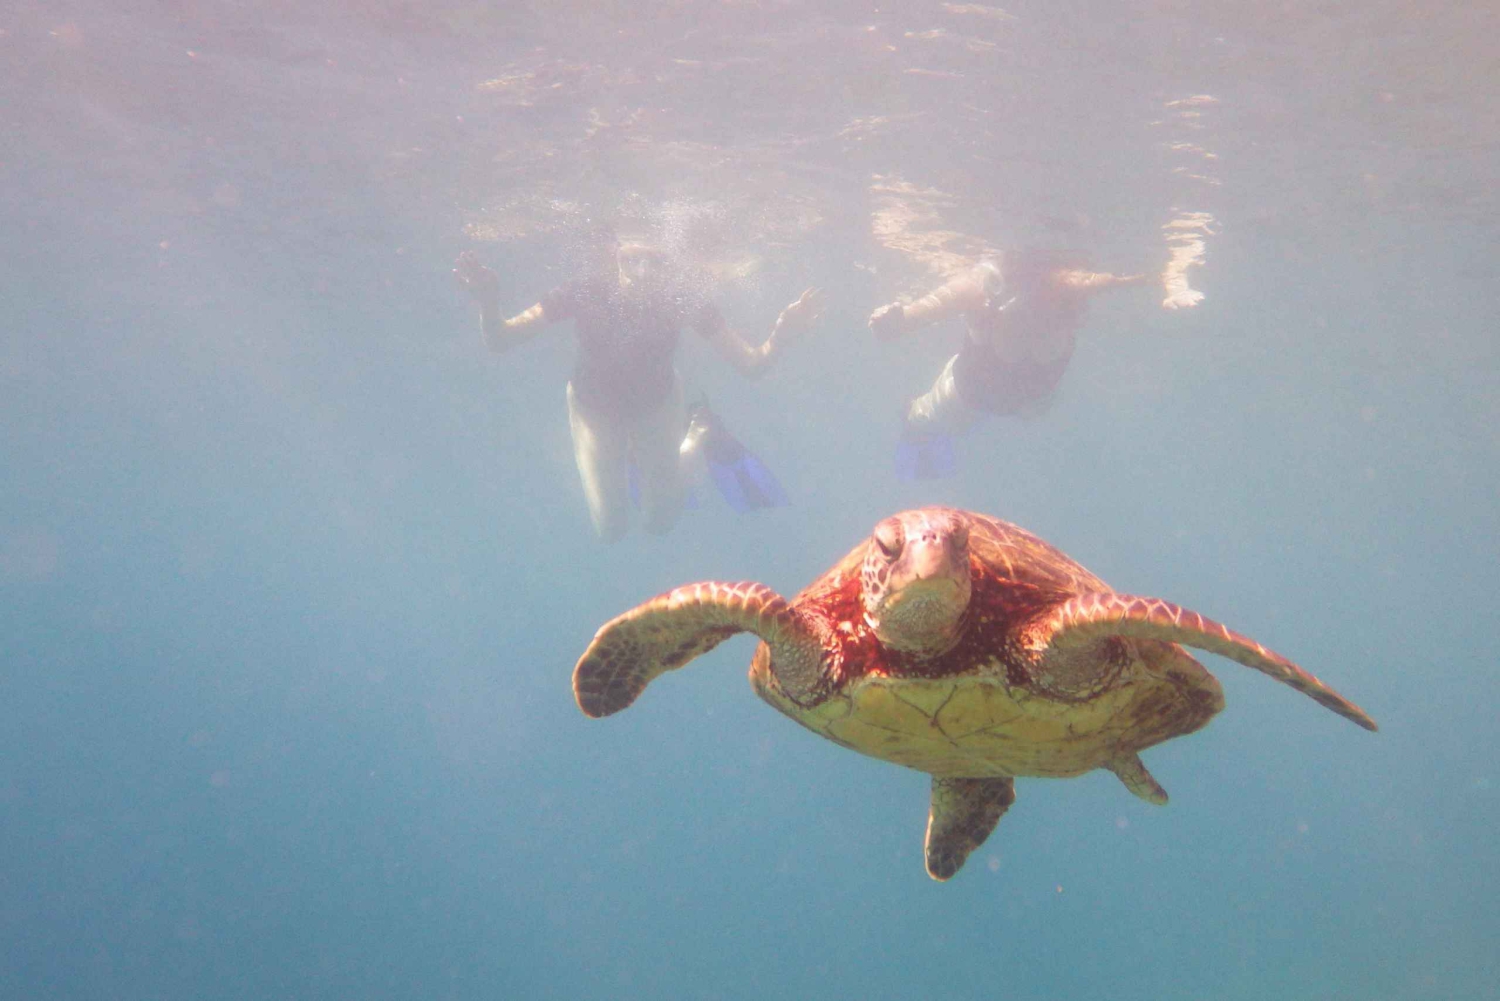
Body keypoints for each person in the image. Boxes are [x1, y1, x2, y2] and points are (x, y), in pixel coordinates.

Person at [454, 226, 822, 541]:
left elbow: (751, 364)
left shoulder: (684, 301)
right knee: (610, 529)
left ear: (670, 263)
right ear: (615, 254)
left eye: (657, 261)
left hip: (658, 407)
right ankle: (650, 451)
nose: (643, 271)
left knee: (660, 523)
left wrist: (781, 335)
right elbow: (501, 340)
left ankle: (692, 442)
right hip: (593, 408)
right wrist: (489, 301)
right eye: (632, 258)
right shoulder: (584, 292)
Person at [867, 250, 1149, 479]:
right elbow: (923, 313)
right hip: (999, 396)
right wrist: (901, 320)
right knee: (926, 416)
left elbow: (1129, 279)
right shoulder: (983, 287)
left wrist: (1171, 284)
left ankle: (916, 423)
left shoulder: (1065, 288)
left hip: (1008, 397)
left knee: (936, 416)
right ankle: (914, 424)